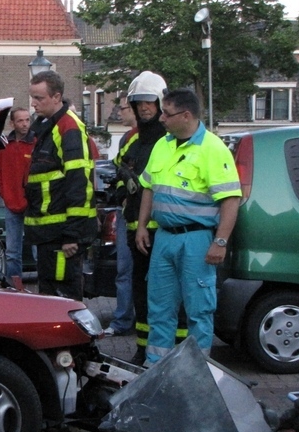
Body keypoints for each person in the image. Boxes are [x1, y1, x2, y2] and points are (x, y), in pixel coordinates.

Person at [135, 88, 241, 366]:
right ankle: (155, 366)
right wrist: (142, 226)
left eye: (167, 113)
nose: (161, 118)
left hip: (197, 240)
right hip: (164, 238)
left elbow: (231, 199)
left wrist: (220, 242)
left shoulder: (213, 149)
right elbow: (148, 188)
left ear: (186, 115)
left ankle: (198, 370)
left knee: (199, 310)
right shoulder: (163, 145)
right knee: (159, 309)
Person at [116, 71, 187, 365]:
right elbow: (119, 175)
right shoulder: (131, 143)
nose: (144, 108)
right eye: (138, 103)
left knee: (172, 295)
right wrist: (124, 184)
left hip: (166, 231)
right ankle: (144, 348)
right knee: (141, 292)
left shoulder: (171, 141)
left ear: (159, 102)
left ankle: (180, 351)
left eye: (148, 102)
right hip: (137, 231)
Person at [25, 70, 97, 301]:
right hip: (50, 234)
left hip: (61, 235)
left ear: (56, 97)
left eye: (39, 98)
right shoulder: (49, 127)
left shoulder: (68, 128)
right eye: (32, 97)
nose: (33, 103)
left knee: (62, 298)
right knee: (50, 297)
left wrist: (71, 235)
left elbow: (79, 183)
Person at [102, 96, 136, 336]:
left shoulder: (140, 138)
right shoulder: (127, 138)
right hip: (127, 210)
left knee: (126, 270)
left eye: (122, 108)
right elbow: (119, 168)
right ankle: (123, 319)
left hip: (134, 211)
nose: (119, 113)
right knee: (125, 270)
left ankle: (123, 320)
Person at [0, 107, 34, 279]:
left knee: (36, 249)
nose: (25, 124)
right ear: (12, 123)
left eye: (27, 120)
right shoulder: (5, 146)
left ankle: (42, 290)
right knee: (12, 252)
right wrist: (5, 194)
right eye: (20, 121)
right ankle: (14, 288)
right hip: (12, 204)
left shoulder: (36, 143)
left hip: (32, 204)